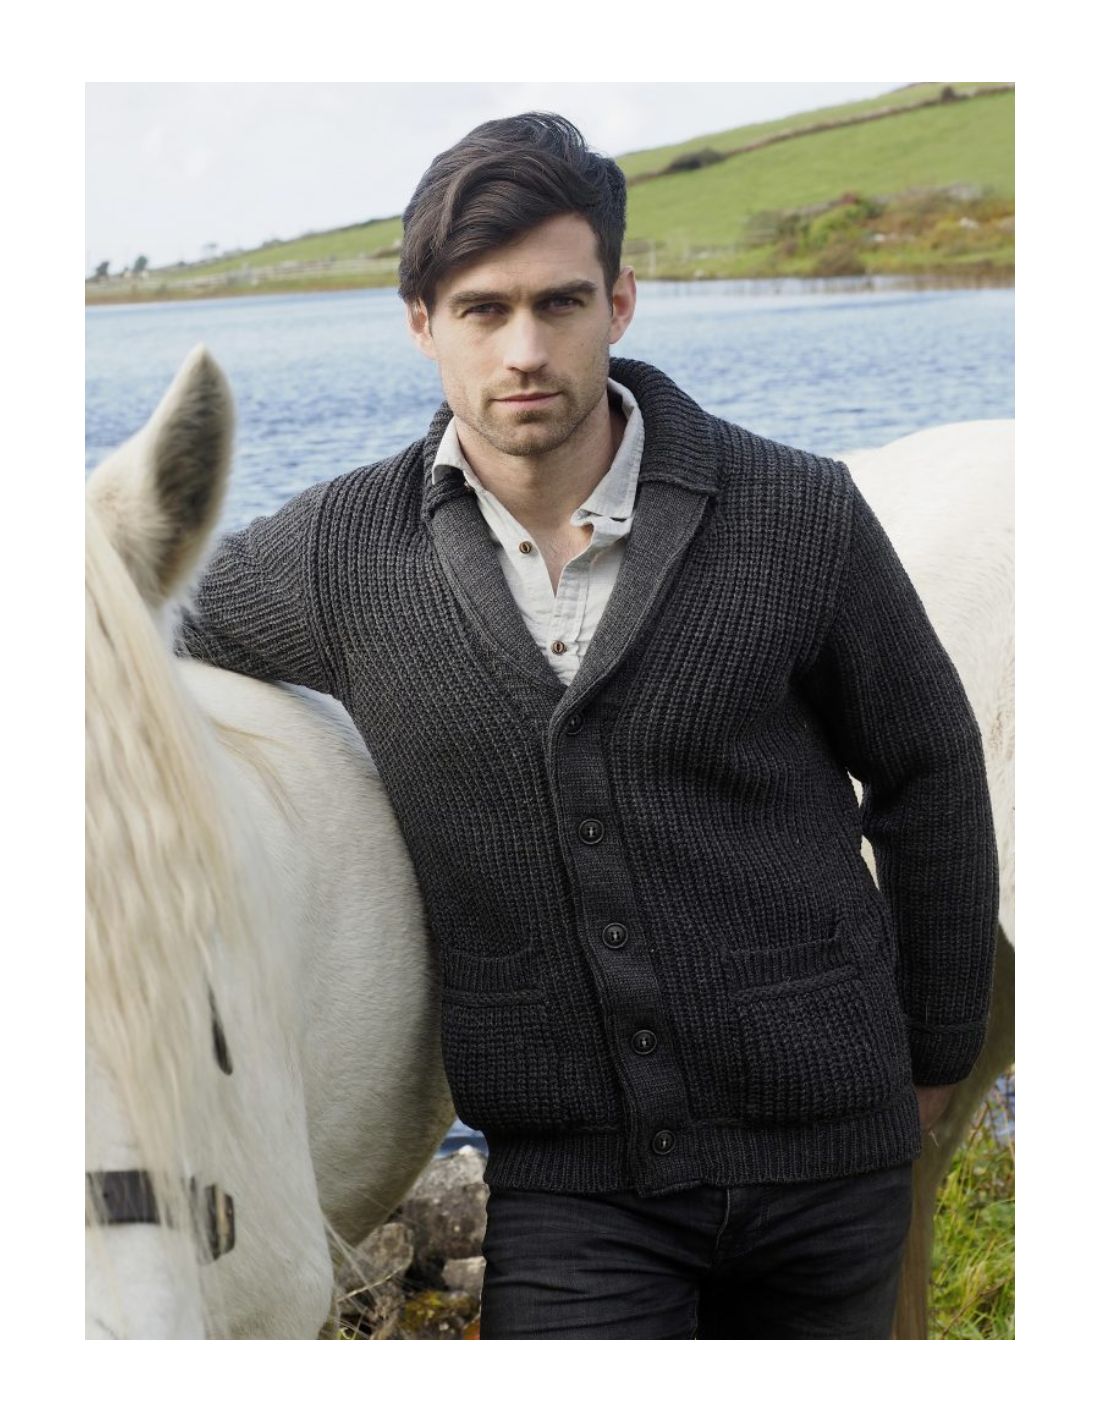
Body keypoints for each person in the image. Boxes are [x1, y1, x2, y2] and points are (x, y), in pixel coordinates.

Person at [177, 112, 998, 1339]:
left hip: (830, 1162)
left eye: (558, 304)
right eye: (482, 309)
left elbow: (926, 772)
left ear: (617, 303)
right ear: (420, 323)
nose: (523, 349)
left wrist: (933, 1061)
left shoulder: (796, 513)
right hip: (573, 1189)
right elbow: (136, 616)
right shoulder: (339, 557)